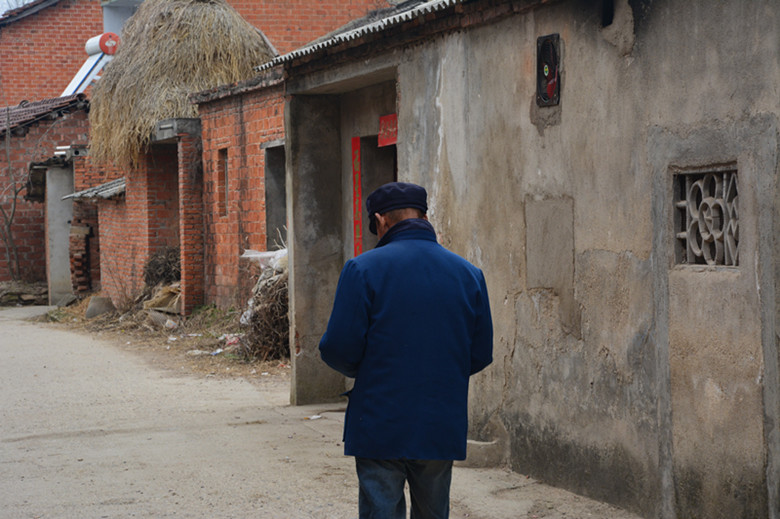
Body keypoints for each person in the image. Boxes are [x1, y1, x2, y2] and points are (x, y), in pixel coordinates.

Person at [319, 181, 493, 519]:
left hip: (380, 420)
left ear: (381, 220)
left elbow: (338, 348)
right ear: (424, 216)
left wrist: (370, 372)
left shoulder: (362, 269)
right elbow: (480, 353)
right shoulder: (469, 275)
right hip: (440, 420)